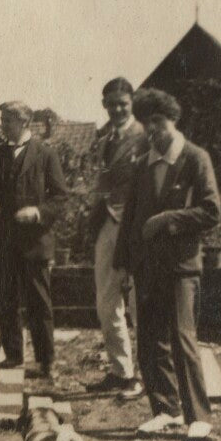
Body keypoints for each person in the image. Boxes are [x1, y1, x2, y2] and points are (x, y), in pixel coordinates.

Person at [112, 88, 221, 441]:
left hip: (179, 266)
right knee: (149, 340)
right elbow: (130, 219)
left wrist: (167, 218)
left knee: (181, 337)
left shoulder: (194, 158)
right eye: (148, 125)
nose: (154, 131)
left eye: (159, 123)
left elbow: (211, 211)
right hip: (146, 265)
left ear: (173, 120)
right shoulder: (144, 164)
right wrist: (124, 264)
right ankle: (165, 409)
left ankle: (198, 415)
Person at [0, 101, 68, 378]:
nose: (2, 126)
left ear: (24, 122)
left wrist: (37, 212)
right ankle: (13, 355)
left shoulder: (45, 154)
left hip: (34, 242)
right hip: (2, 243)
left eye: (7, 121)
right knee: (6, 300)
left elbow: (60, 197)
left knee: (39, 302)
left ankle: (46, 360)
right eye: (2, 121)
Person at [84, 77, 149, 399]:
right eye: (111, 103)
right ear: (104, 105)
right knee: (107, 301)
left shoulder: (145, 137)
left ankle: (150, 374)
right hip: (109, 223)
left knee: (140, 302)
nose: (118, 109)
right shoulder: (104, 138)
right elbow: (102, 181)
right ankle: (121, 372)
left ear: (132, 102)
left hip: (137, 226)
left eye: (123, 103)